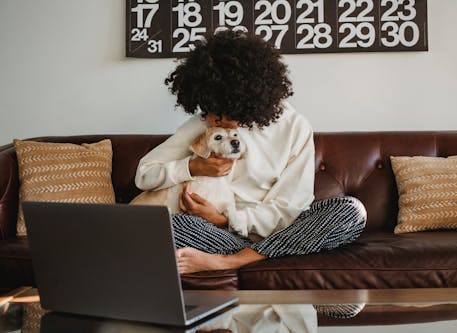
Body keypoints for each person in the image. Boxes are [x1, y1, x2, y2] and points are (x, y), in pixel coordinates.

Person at [135, 30, 366, 274]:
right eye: (208, 109)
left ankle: (233, 261)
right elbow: (144, 172)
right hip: (215, 236)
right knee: (163, 226)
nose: (212, 118)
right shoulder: (207, 121)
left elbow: (289, 208)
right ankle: (260, 256)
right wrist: (192, 167)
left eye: (220, 111)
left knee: (351, 211)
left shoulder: (295, 128)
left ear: (244, 102)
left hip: (271, 234)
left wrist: (225, 219)